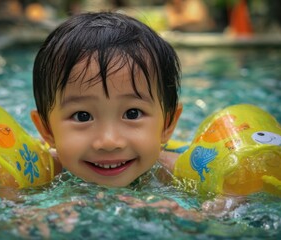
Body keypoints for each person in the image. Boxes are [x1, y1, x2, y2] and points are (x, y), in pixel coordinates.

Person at [30, 11, 182, 187]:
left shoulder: (176, 173)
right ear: (47, 130)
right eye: (82, 116)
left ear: (167, 123)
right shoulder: (41, 174)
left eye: (133, 114)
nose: (109, 142)